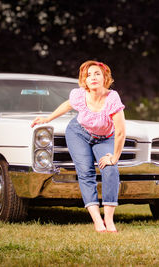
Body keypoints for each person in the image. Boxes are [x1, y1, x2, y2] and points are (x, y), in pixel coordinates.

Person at [31, 60, 126, 233]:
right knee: (86, 172)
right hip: (78, 133)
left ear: (105, 77)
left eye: (97, 73)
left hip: (105, 138)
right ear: (85, 80)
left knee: (111, 169)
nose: (93, 77)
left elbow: (120, 131)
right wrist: (47, 119)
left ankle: (109, 220)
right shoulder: (80, 94)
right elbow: (68, 105)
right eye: (88, 75)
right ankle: (97, 221)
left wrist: (115, 157)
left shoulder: (112, 98)